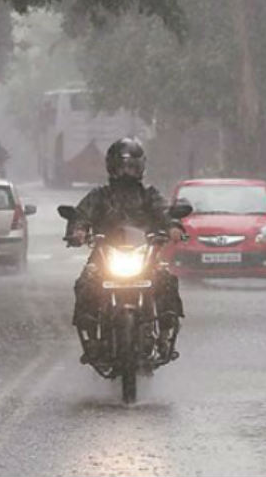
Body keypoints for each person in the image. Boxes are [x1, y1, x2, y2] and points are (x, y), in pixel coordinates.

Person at [65, 137, 183, 363]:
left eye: (132, 166)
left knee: (166, 279)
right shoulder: (100, 195)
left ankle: (165, 335)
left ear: (140, 167)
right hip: (105, 256)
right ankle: (91, 339)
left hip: (144, 255)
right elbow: (81, 215)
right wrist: (78, 231)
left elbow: (165, 212)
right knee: (86, 282)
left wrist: (173, 226)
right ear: (112, 166)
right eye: (122, 166)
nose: (127, 172)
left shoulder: (149, 195)